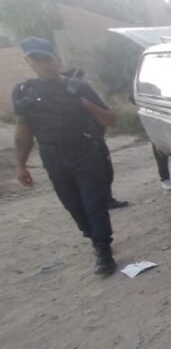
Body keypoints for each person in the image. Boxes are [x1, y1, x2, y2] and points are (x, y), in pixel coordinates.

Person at [13, 37, 117, 275]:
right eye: (36, 60)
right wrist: (20, 164)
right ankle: (92, 236)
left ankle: (103, 249)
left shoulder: (78, 87)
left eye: (46, 59)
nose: (43, 64)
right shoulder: (23, 92)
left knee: (94, 203)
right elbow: (23, 130)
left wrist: (84, 104)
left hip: (86, 151)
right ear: (29, 62)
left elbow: (110, 119)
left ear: (57, 60)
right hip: (53, 155)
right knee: (73, 205)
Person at [61, 67, 129, 209]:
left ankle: (105, 199)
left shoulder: (84, 92)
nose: (87, 81)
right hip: (86, 141)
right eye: (84, 78)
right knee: (96, 173)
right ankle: (98, 202)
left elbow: (106, 115)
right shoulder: (75, 93)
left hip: (95, 138)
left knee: (105, 171)